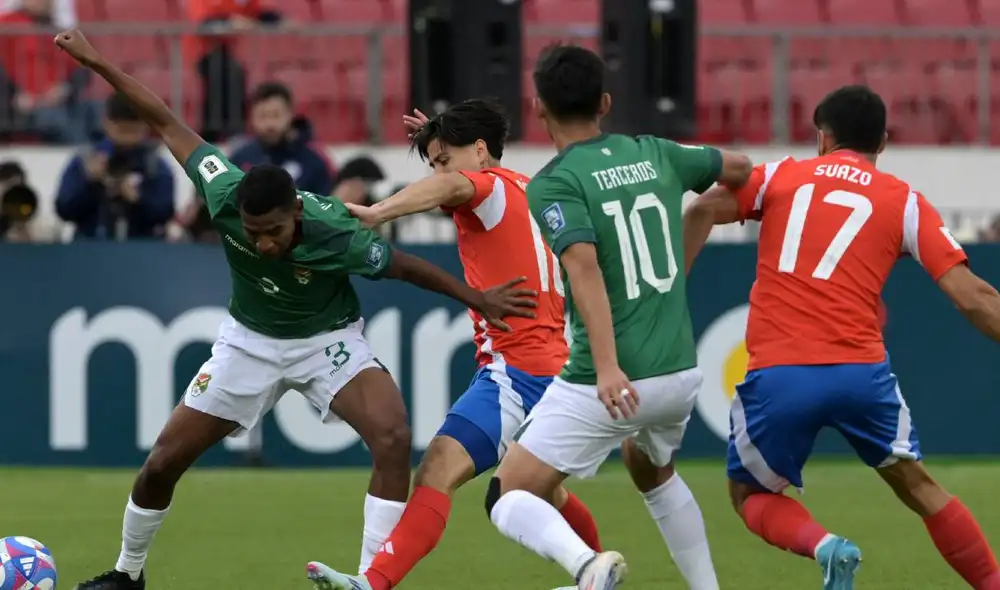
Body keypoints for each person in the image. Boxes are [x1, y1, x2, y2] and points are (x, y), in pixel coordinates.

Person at [54, 29, 537, 590]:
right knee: (162, 461)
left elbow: (404, 265)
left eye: (274, 232)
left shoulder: (332, 227)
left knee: (393, 436)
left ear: (296, 216)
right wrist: (96, 61)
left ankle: (368, 580)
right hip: (249, 342)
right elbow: (164, 120)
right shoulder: (222, 188)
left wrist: (476, 297)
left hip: (326, 342)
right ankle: (127, 574)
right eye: (253, 233)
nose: (262, 244)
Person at [683, 85, 1000, 590]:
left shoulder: (780, 177)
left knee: (748, 496)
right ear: (884, 143)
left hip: (780, 373)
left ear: (822, 137)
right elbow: (974, 298)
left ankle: (826, 546)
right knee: (920, 488)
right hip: (861, 375)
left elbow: (701, 210)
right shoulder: (904, 200)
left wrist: (670, 292)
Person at [304, 99, 604, 590]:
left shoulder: (482, 185)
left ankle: (372, 583)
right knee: (541, 491)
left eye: (443, 159)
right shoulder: (533, 189)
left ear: (481, 151)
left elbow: (456, 182)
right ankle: (595, 567)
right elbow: (456, 175)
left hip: (517, 372)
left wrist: (380, 210)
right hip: (556, 368)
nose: (437, 172)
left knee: (437, 470)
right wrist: (442, 140)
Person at [484, 44, 753, 590]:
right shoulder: (654, 151)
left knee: (506, 494)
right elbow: (741, 169)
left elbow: (584, 270)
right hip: (678, 373)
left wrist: (606, 366)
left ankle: (587, 568)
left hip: (611, 379)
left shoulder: (554, 183)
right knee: (649, 469)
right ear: (604, 101)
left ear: (537, 107)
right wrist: (687, 240)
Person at [55, 92, 175, 240]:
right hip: (90, 250)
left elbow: (165, 213)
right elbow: (64, 210)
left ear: (146, 125)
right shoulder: (85, 160)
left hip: (141, 251)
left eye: (134, 131)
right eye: (122, 131)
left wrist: (138, 200)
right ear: (107, 123)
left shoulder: (155, 166)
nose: (127, 139)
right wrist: (90, 183)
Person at [230, 82, 336, 196]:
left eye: (276, 115)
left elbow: (327, 204)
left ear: (291, 114)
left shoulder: (314, 159)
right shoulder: (240, 158)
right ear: (251, 118)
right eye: (262, 116)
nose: (270, 124)